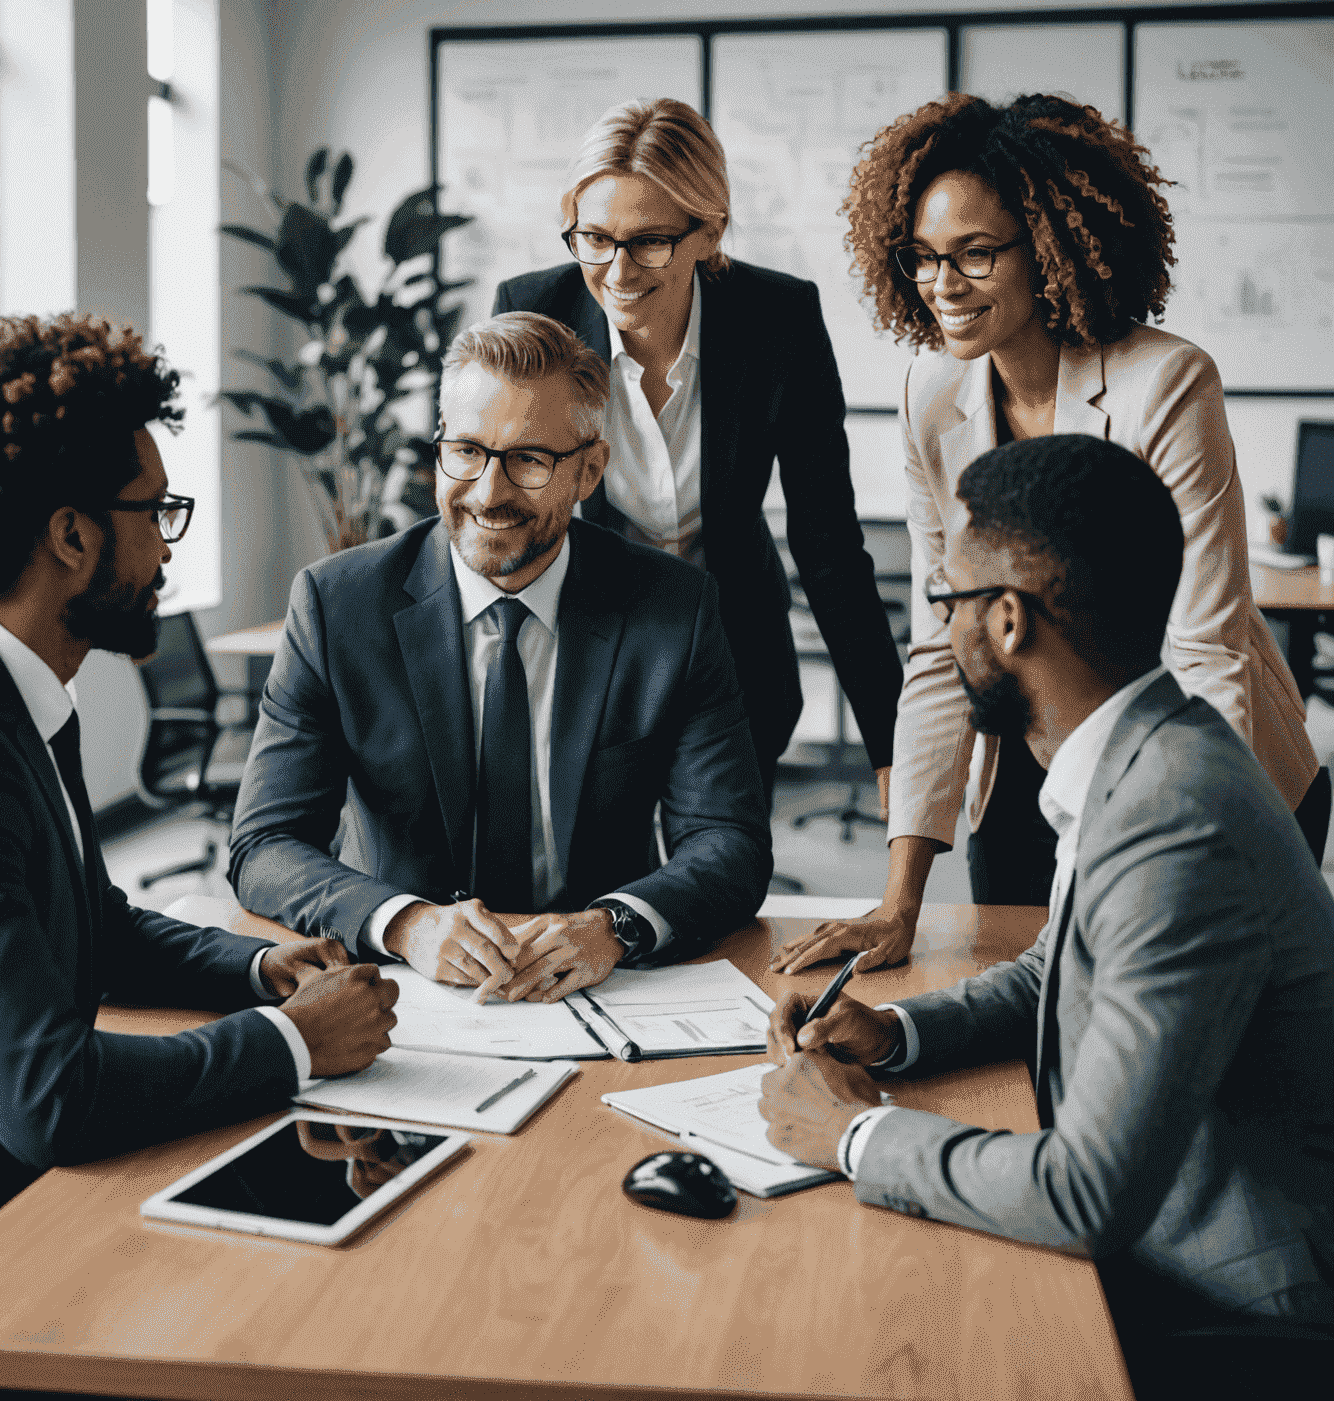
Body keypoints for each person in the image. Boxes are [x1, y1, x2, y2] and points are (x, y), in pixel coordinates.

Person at [0, 313, 399, 1344]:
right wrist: (293, 1043)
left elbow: (96, 924)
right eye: (155, 510)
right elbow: (51, 1097)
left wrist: (257, 973)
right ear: (72, 537)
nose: (167, 544)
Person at [759, 434, 1334, 1401]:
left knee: (854, 1337)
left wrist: (851, 1136)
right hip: (1170, 1243)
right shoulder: (1148, 752)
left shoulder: (1173, 820)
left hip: (1234, 1312)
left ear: (1011, 621)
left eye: (948, 606)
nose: (941, 636)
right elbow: (1058, 970)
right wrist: (895, 1032)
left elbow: (1086, 1195)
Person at [775, 92, 1325, 976]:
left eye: (976, 255)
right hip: (1026, 753)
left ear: (1055, 248)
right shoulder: (932, 393)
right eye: (922, 258)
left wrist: (1191, 852)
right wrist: (899, 901)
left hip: (1201, 750)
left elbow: (1205, 647)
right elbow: (941, 640)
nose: (943, 286)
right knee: (1025, 1008)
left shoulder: (1165, 385)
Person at [229, 312, 771, 1002]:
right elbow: (265, 845)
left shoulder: (674, 609)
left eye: (529, 459)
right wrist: (408, 924)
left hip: (599, 985)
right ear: (438, 452)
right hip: (402, 988)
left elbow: (729, 843)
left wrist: (613, 927)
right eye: (467, 451)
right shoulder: (338, 606)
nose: (489, 492)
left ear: (589, 471)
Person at [492, 98, 902, 805]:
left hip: (736, 651)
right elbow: (501, 509)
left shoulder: (779, 321)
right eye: (594, 237)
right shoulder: (536, 315)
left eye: (649, 242)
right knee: (596, 890)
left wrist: (892, 745)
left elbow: (827, 542)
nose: (617, 270)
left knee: (721, 883)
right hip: (585, 649)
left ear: (708, 233)